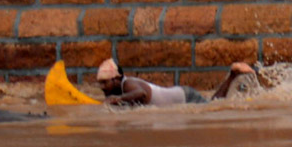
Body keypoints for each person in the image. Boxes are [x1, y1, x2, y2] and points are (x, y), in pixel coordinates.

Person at [95, 58, 257, 107]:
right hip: (179, 93)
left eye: (105, 82)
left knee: (214, 106)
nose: (102, 87)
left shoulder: (128, 84)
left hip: (183, 96)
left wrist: (118, 100)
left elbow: (141, 93)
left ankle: (233, 75)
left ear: (116, 79)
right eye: (100, 83)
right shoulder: (123, 88)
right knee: (213, 104)